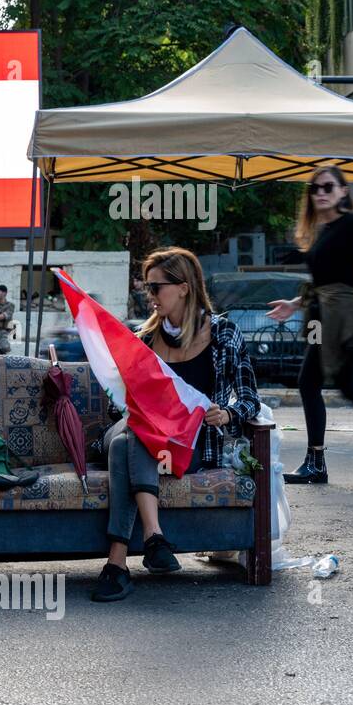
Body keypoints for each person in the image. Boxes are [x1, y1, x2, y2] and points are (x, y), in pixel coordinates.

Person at [93, 248, 261, 602]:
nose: (149, 296)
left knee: (128, 445)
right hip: (134, 430)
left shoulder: (223, 335)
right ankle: (154, 538)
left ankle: (118, 564)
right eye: (146, 289)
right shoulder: (143, 340)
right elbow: (115, 407)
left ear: (184, 287)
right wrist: (133, 401)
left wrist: (227, 414)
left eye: (156, 288)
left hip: (185, 444)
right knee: (133, 433)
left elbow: (249, 399)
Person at [267, 166, 353, 484]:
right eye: (315, 188)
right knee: (338, 386)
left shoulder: (352, 224)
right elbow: (323, 280)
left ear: (343, 191)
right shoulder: (323, 230)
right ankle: (316, 462)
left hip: (343, 317)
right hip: (321, 315)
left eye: (327, 186)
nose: (320, 192)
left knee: (319, 384)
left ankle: (316, 462)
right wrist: (294, 304)